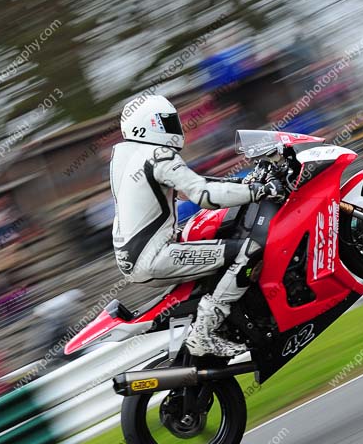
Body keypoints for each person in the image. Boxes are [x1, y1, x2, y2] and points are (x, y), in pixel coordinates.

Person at [110, 94, 283, 357]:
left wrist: (243, 184)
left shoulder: (126, 156)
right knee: (249, 252)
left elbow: (186, 185)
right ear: (150, 125)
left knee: (213, 237)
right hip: (153, 256)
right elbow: (204, 196)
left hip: (133, 255)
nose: (174, 127)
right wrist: (259, 191)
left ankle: (231, 318)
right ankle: (204, 333)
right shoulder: (160, 155)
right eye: (167, 122)